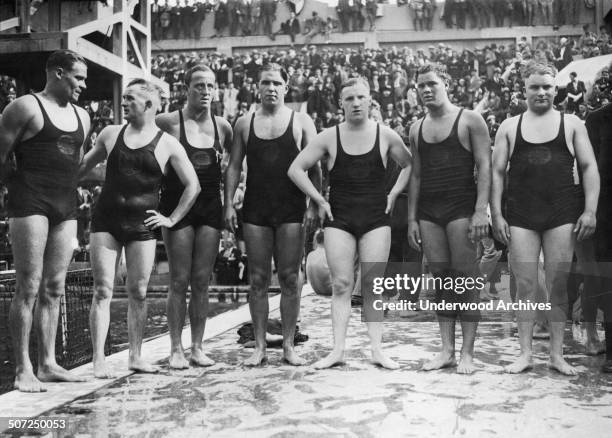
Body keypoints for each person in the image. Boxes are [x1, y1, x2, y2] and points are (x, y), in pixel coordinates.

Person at [288, 77, 412, 370]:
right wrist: (319, 200)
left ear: (370, 100)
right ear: (341, 103)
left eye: (360, 97)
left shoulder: (386, 134)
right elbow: (296, 169)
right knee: (342, 284)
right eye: (349, 99)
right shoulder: (329, 136)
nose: (355, 103)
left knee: (373, 284)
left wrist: (394, 193)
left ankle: (378, 350)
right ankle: (338, 350)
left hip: (375, 218)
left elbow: (409, 165)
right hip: (339, 218)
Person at [79, 79, 200, 377]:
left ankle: (135, 355)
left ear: (148, 105)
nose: (124, 102)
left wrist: (170, 218)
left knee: (139, 291)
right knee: (103, 290)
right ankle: (98, 359)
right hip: (105, 221)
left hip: (142, 225)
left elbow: (192, 185)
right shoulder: (110, 134)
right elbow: (81, 167)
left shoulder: (168, 143)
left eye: (130, 98)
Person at [491, 61, 599, 375]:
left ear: (556, 89)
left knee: (558, 284)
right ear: (523, 91)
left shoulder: (573, 123)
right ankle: (525, 353)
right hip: (521, 213)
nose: (541, 92)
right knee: (525, 284)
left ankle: (556, 355)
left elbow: (590, 167)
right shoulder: (510, 127)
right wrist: (497, 214)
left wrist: (590, 210)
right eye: (535, 87)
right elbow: (497, 173)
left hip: (562, 213)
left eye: (547, 87)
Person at [0, 50, 91, 392]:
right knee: (28, 286)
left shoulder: (83, 116)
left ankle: (48, 362)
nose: (83, 84)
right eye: (78, 78)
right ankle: (23, 368)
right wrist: (19, 189)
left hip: (65, 205)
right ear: (56, 73)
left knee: (55, 287)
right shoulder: (25, 106)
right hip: (29, 202)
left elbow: (76, 163)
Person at [225, 63, 319, 366]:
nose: (271, 88)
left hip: (290, 208)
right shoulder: (244, 123)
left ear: (286, 87)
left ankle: (289, 345)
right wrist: (228, 203)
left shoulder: (301, 121)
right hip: (255, 208)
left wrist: (315, 204)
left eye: (277, 83)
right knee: (258, 279)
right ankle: (261, 346)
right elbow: (234, 166)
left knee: (291, 278)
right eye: (265, 82)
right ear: (257, 87)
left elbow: (316, 167)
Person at [407, 63, 491, 374]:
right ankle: (446, 350)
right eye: (420, 86)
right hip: (429, 212)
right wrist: (413, 218)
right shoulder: (416, 128)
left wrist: (481, 210)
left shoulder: (470, 119)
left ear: (446, 84)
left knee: (465, 279)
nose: (426, 90)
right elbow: (416, 175)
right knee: (441, 280)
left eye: (431, 84)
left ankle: (467, 353)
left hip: (461, 209)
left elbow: (485, 166)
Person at [156, 65, 233, 369]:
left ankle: (197, 347)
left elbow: (230, 169)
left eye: (210, 86)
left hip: (210, 207)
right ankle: (176, 348)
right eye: (199, 86)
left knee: (202, 281)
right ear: (185, 88)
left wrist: (228, 206)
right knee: (178, 279)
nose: (205, 91)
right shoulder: (167, 122)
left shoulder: (223, 127)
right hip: (177, 208)